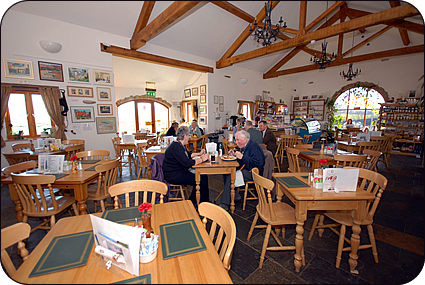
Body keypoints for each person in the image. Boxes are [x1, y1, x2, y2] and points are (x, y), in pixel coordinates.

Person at [162, 126, 210, 207]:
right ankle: (193, 202)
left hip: (178, 171)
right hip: (174, 175)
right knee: (201, 179)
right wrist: (202, 159)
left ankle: (203, 201)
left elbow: (188, 155)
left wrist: (199, 154)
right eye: (189, 135)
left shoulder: (179, 144)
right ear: (185, 136)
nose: (189, 137)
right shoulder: (176, 147)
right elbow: (187, 163)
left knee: (203, 177)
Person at [220, 130, 265, 211]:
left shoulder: (254, 146)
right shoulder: (245, 146)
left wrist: (242, 157)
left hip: (254, 173)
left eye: (238, 140)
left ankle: (224, 203)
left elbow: (259, 163)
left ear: (245, 139)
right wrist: (234, 155)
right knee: (226, 172)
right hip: (246, 169)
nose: (236, 142)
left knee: (231, 176)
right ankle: (236, 195)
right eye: (236, 140)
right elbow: (243, 161)